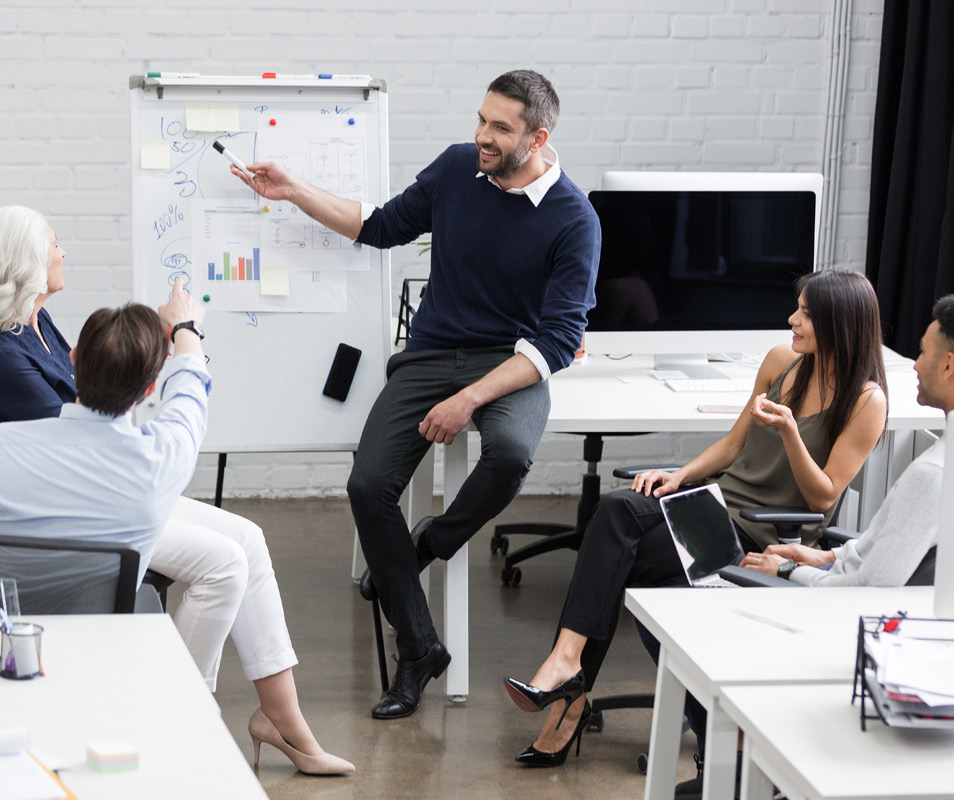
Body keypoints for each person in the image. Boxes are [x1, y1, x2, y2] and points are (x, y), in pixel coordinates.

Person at [230, 70, 601, 719]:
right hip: (430, 352)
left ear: (539, 137)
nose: (482, 136)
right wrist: (292, 191)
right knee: (366, 485)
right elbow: (377, 224)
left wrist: (469, 401)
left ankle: (429, 541)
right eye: (481, 119)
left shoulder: (574, 220)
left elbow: (558, 341)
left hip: (511, 362)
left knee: (510, 454)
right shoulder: (460, 169)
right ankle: (419, 647)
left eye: (501, 128)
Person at [0, 207, 353, 775]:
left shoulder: (40, 323)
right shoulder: (9, 354)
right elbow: (93, 449)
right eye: (54, 244)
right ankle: (180, 714)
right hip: (86, 503)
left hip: (106, 481)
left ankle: (283, 719)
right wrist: (183, 335)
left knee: (250, 539)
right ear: (26, 264)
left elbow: (92, 413)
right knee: (224, 563)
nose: (64, 252)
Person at [502, 269, 889, 771]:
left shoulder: (866, 400)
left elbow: (823, 496)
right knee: (619, 514)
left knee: (627, 562)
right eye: (796, 307)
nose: (792, 319)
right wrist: (677, 474)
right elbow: (733, 443)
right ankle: (573, 674)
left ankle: (568, 694)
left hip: (760, 536)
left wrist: (792, 432)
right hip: (711, 509)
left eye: (806, 314)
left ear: (840, 323)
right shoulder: (782, 363)